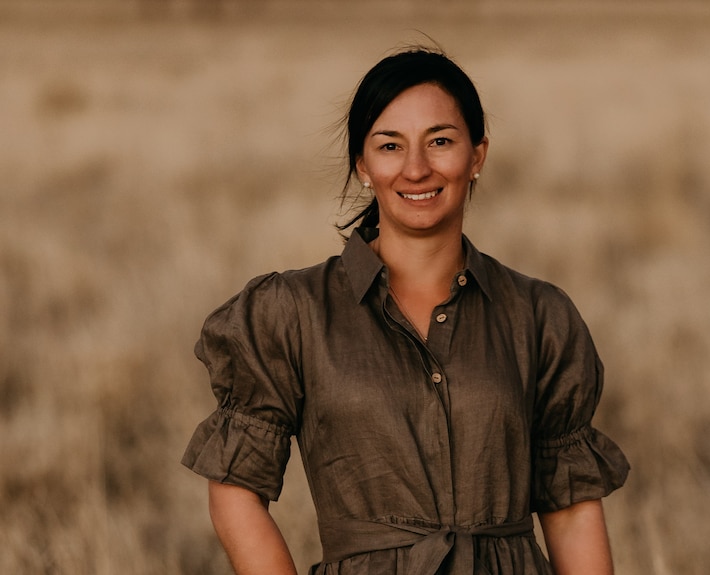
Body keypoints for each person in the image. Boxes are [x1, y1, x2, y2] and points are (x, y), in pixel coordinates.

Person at [182, 47, 629, 575]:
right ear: (363, 166)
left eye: (440, 141)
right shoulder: (291, 312)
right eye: (390, 146)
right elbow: (235, 489)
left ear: (477, 155)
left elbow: (573, 510)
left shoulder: (539, 316)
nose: (416, 169)